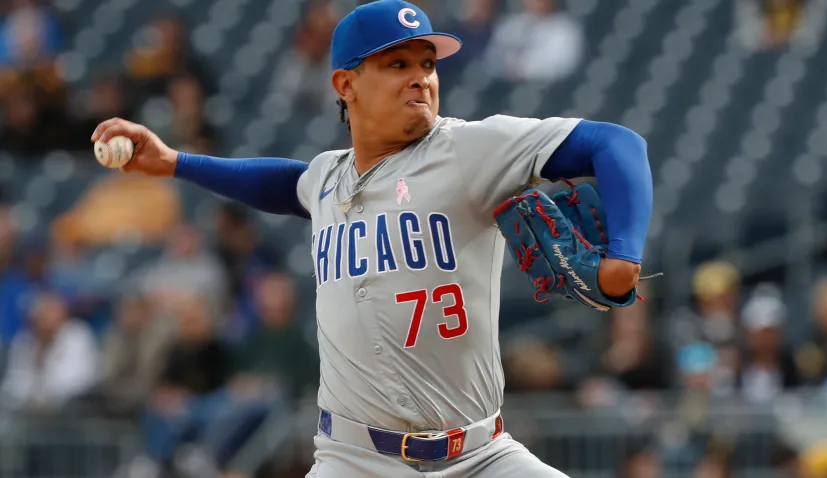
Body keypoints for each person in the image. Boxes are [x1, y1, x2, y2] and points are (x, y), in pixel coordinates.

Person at [89, 1, 653, 476]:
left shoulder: (468, 150)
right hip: (354, 460)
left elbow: (617, 144)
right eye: (398, 62)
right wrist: (176, 162)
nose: (421, 76)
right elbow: (287, 183)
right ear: (346, 84)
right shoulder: (327, 179)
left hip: (479, 456)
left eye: (428, 63)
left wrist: (625, 255)